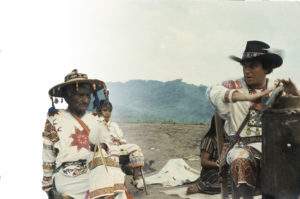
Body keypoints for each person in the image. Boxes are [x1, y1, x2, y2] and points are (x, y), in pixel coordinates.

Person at [206, 41, 299, 199]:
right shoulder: (232, 85)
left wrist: (296, 94)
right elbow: (214, 93)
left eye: (253, 66)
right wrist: (250, 97)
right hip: (243, 146)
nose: (247, 71)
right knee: (241, 160)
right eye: (244, 66)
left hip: (275, 148)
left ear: (267, 68)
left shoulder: (278, 87)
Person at [42, 69, 128, 199]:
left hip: (95, 168)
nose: (86, 100)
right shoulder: (54, 119)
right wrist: (48, 187)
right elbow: (48, 154)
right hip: (68, 175)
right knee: (108, 184)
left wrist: (103, 147)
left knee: (116, 177)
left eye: (88, 95)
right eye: (80, 95)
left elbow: (111, 144)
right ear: (67, 96)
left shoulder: (97, 118)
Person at [89, 100, 145, 190]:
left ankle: (136, 179)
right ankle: (119, 183)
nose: (108, 113)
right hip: (107, 148)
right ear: (100, 111)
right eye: (105, 110)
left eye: (109, 110)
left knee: (135, 148)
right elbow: (94, 140)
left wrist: (121, 141)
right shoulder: (97, 125)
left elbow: (121, 137)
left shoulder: (114, 125)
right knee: (114, 150)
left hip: (118, 146)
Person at [186, 116, 226, 195]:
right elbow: (204, 162)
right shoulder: (209, 140)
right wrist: (218, 164)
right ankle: (200, 188)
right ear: (219, 126)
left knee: (236, 183)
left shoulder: (227, 139)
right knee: (223, 183)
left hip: (224, 170)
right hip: (211, 172)